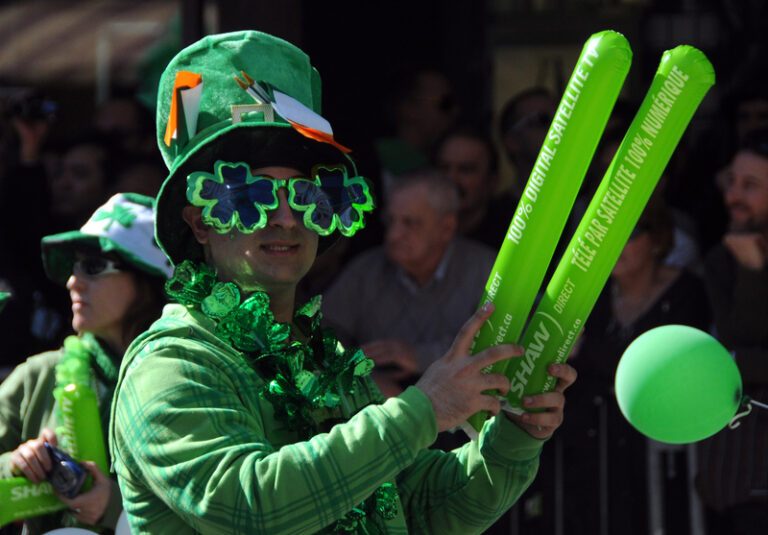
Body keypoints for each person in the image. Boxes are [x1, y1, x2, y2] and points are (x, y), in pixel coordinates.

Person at [109, 30, 576, 535]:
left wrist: (512, 437)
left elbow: (420, 510)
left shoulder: (327, 365)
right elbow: (250, 508)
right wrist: (424, 409)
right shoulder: (172, 362)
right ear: (200, 223)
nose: (286, 218)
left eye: (307, 194)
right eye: (251, 195)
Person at [0, 193, 172, 534]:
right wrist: (16, 465)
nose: (72, 281)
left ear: (149, 283)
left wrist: (115, 506)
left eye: (93, 266)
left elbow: (212, 502)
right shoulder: (38, 375)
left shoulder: (188, 377)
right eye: (73, 266)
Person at [559, 195, 711, 535]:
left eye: (628, 234)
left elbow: (667, 369)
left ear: (657, 239)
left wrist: (587, 350)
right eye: (605, 235)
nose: (614, 246)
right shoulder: (590, 296)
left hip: (666, 457)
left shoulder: (688, 292)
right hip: (596, 456)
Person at [323, 169, 495, 396]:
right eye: (391, 220)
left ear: (447, 228)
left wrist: (420, 357)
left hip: (465, 415)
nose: (393, 235)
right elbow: (322, 331)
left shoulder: (486, 271)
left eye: (410, 223)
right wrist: (358, 374)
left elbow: (503, 345)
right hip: (380, 416)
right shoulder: (366, 270)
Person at [696, 129, 768, 535]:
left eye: (750, 186)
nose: (732, 197)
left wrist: (740, 361)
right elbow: (737, 344)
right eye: (732, 183)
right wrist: (752, 270)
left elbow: (738, 358)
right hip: (740, 479)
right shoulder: (723, 260)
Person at [434, 125, 518, 250]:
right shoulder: (415, 229)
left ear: (492, 181)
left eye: (465, 170)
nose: (451, 178)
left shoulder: (514, 234)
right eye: (444, 168)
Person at [498, 87, 557, 198]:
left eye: (560, 118)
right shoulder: (495, 213)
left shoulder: (585, 203)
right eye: (542, 120)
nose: (556, 127)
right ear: (512, 140)